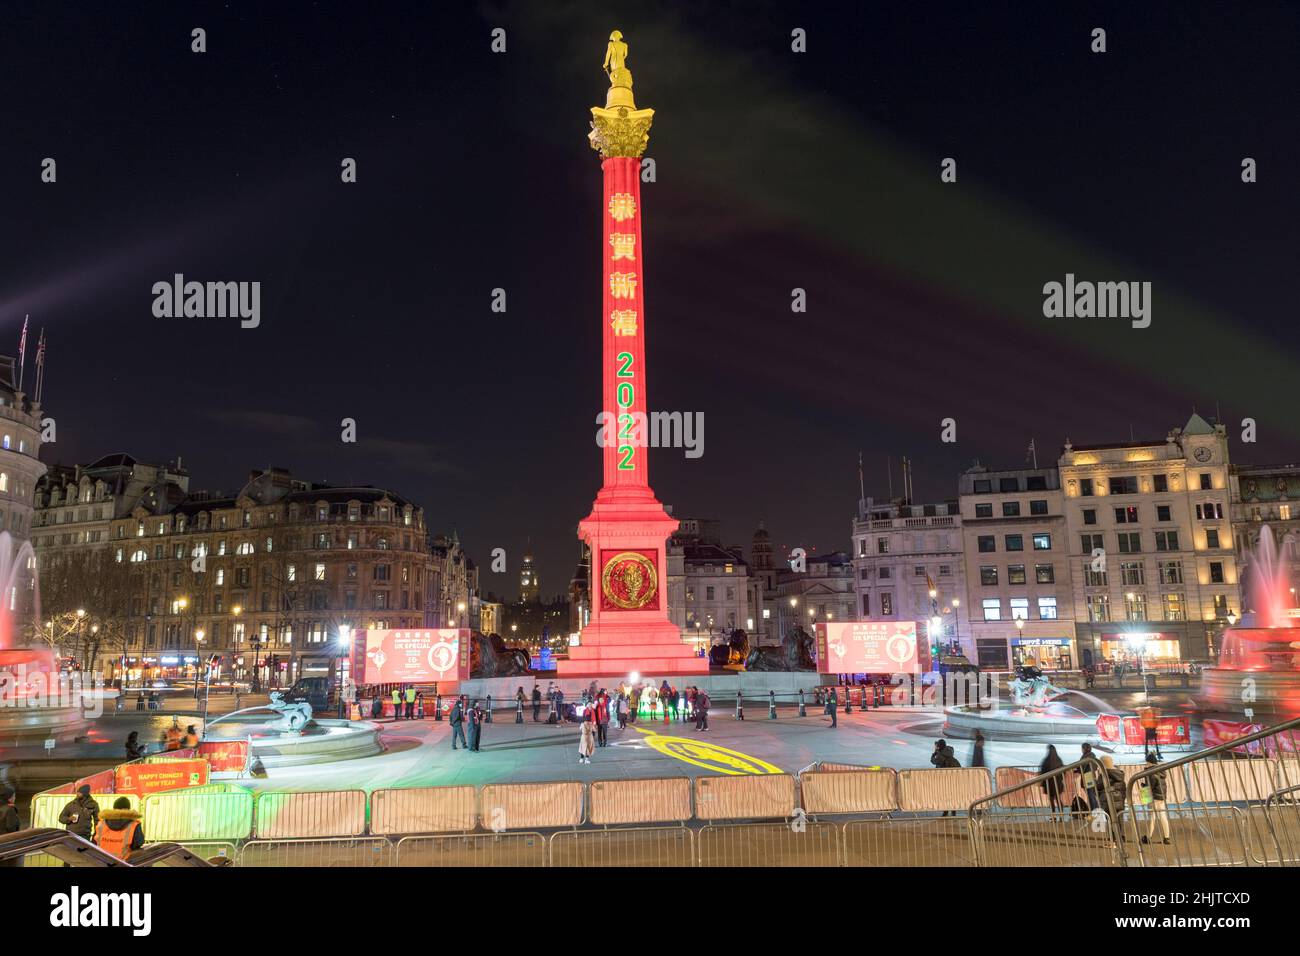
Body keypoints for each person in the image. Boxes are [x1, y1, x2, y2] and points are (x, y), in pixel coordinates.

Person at [94, 797, 145, 863]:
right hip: (123, 862)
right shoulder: (134, 824)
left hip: (102, 861)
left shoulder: (101, 823)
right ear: (128, 809)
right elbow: (139, 842)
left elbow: (94, 841)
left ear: (114, 809)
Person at [1139, 753, 1172, 846]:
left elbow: (1150, 786)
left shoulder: (1150, 772)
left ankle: (1148, 837)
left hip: (1153, 797)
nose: (1146, 764)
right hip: (1161, 796)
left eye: (1147, 762)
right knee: (1163, 816)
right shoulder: (1160, 771)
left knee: (1152, 817)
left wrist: (1143, 786)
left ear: (1149, 762)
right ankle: (1167, 837)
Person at [1099, 755, 1127, 844]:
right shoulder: (1119, 774)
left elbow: (1098, 786)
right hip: (1119, 802)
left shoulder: (1104, 774)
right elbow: (1124, 789)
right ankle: (1121, 836)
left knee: (1110, 820)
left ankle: (1113, 838)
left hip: (1108, 802)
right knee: (1119, 819)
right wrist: (1122, 800)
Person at [1039, 744, 1066, 817]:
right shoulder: (1059, 760)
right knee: (1058, 798)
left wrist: (1042, 781)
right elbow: (1063, 771)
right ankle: (1061, 814)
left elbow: (1042, 771)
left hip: (1049, 783)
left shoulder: (1046, 760)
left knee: (1051, 800)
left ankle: (1053, 815)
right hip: (1058, 783)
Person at [1077, 742, 1101, 810]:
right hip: (1091, 776)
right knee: (1092, 795)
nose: (1081, 750)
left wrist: (1078, 770)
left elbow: (1082, 767)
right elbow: (1095, 767)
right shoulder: (1092, 756)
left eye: (1082, 748)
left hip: (1088, 777)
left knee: (1090, 795)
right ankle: (1096, 809)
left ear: (1084, 749)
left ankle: (1094, 810)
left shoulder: (1086, 756)